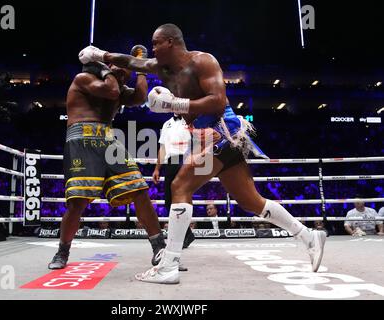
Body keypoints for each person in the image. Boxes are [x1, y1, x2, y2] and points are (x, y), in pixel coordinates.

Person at [79, 23, 327, 283]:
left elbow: (218, 100)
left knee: (181, 185)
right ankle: (308, 236)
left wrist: (175, 104)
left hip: (222, 130)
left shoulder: (203, 61)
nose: (152, 49)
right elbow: (132, 62)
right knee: (251, 201)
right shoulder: (162, 68)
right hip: (204, 135)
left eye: (156, 43)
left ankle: (168, 266)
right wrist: (99, 55)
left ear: (170, 42)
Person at [48, 48, 167, 269]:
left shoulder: (118, 87)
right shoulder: (84, 79)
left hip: (108, 139)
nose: (124, 73)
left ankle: (160, 248)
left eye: (127, 70)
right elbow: (111, 91)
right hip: (81, 138)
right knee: (77, 202)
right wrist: (103, 67)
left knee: (139, 191)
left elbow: (141, 97)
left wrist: (139, 65)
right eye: (120, 68)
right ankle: (62, 252)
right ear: (106, 68)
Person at [153, 113, 195, 248]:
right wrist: (157, 169)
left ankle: (184, 236)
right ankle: (187, 234)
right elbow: (163, 148)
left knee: (183, 198)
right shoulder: (167, 124)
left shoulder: (190, 119)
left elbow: (198, 141)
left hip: (186, 160)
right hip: (171, 162)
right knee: (169, 201)